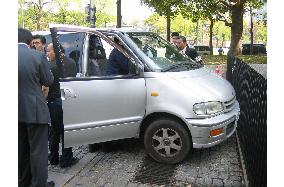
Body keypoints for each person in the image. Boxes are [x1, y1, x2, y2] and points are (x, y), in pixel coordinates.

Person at [18, 28, 55, 187]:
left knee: (21, 151)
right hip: (34, 110)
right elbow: (48, 81)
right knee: (38, 152)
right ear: (30, 42)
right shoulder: (38, 56)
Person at [46, 43, 78, 168]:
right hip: (68, 100)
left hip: (54, 102)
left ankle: (53, 158)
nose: (47, 54)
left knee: (54, 131)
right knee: (66, 131)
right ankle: (66, 159)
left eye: (48, 51)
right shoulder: (72, 62)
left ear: (56, 51)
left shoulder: (50, 66)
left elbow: (45, 87)